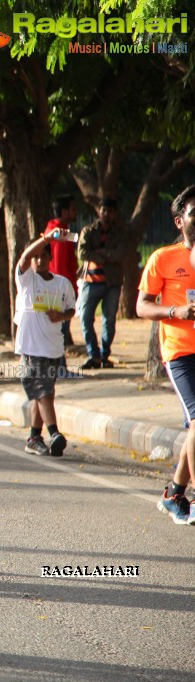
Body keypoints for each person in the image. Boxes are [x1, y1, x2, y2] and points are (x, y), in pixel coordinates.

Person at [138, 185, 195, 525]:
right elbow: (141, 306)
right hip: (180, 352)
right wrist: (177, 311)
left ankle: (174, 493)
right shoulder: (163, 258)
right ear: (179, 221)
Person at [14, 234, 76, 457]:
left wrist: (60, 316)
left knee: (41, 394)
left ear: (50, 257)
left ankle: (33, 437)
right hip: (31, 347)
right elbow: (24, 257)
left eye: (43, 256)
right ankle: (54, 433)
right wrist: (46, 237)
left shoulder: (62, 283)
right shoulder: (27, 279)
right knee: (43, 392)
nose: (39, 261)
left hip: (53, 347)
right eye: (35, 257)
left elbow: (71, 309)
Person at [78, 198, 128, 369]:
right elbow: (83, 253)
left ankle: (105, 355)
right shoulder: (88, 231)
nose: (106, 214)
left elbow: (120, 254)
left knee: (109, 320)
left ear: (115, 213)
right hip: (90, 281)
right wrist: (106, 256)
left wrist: (100, 253)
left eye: (110, 211)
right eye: (104, 210)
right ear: (99, 211)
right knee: (85, 318)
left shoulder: (120, 234)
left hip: (112, 283)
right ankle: (94, 355)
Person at [43, 195, 79, 347]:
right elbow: (58, 264)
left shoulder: (62, 231)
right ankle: (59, 368)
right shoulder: (57, 233)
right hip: (61, 288)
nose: (76, 212)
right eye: (73, 209)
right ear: (64, 212)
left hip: (66, 284)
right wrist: (65, 286)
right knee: (59, 331)